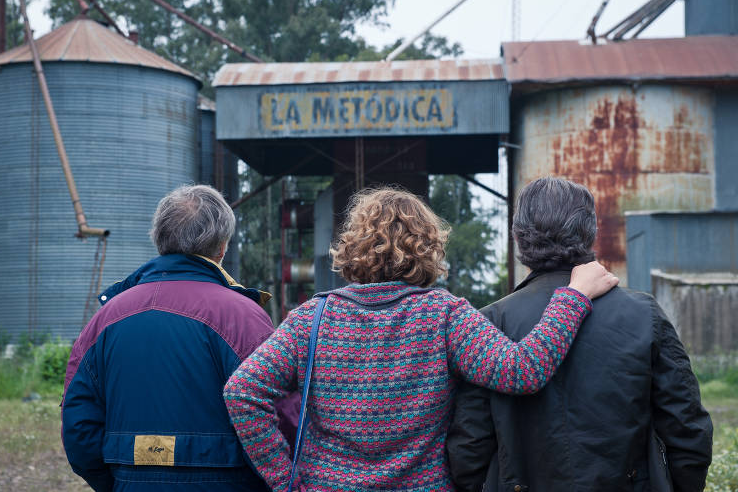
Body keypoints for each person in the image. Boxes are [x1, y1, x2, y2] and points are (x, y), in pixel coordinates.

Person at [223, 187, 617, 492]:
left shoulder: (312, 318)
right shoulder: (444, 315)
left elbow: (242, 392)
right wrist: (574, 296)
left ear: (352, 245)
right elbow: (521, 371)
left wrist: (285, 480)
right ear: (428, 246)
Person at [447, 177, 713, 492]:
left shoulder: (488, 323)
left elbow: (469, 445)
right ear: (590, 233)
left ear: (518, 237)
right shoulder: (645, 314)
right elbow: (687, 429)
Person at [61, 185, 298, 491]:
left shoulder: (106, 319)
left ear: (160, 240)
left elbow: (79, 427)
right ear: (222, 247)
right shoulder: (243, 317)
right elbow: (282, 420)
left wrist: (117, 481)